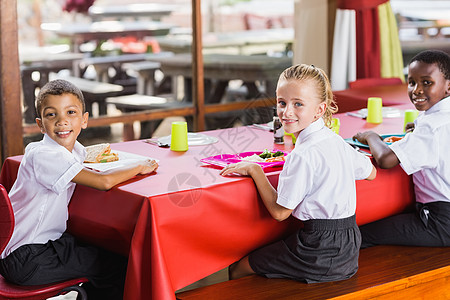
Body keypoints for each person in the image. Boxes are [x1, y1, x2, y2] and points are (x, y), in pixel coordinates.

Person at [0, 79, 159, 299]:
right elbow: (103, 182)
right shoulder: (45, 154)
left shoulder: (70, 150)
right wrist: (139, 166)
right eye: (51, 115)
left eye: (70, 112)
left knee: (105, 252)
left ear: (84, 120)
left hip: (35, 248)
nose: (62, 121)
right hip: (28, 257)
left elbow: (89, 162)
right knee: (120, 265)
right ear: (40, 124)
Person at [220, 64, 377, 283]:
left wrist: (255, 169)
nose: (287, 112)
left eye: (298, 104)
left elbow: (280, 213)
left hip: (319, 251)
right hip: (349, 245)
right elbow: (371, 173)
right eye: (282, 103)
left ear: (320, 110)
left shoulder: (302, 155)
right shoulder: (336, 141)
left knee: (239, 267)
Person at [352, 49, 450, 248]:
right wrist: (416, 131)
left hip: (439, 222)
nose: (417, 90)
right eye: (412, 82)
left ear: (448, 87)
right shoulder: (437, 121)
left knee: (361, 233)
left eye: (427, 82)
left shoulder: (431, 127)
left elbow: (386, 159)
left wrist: (371, 136)